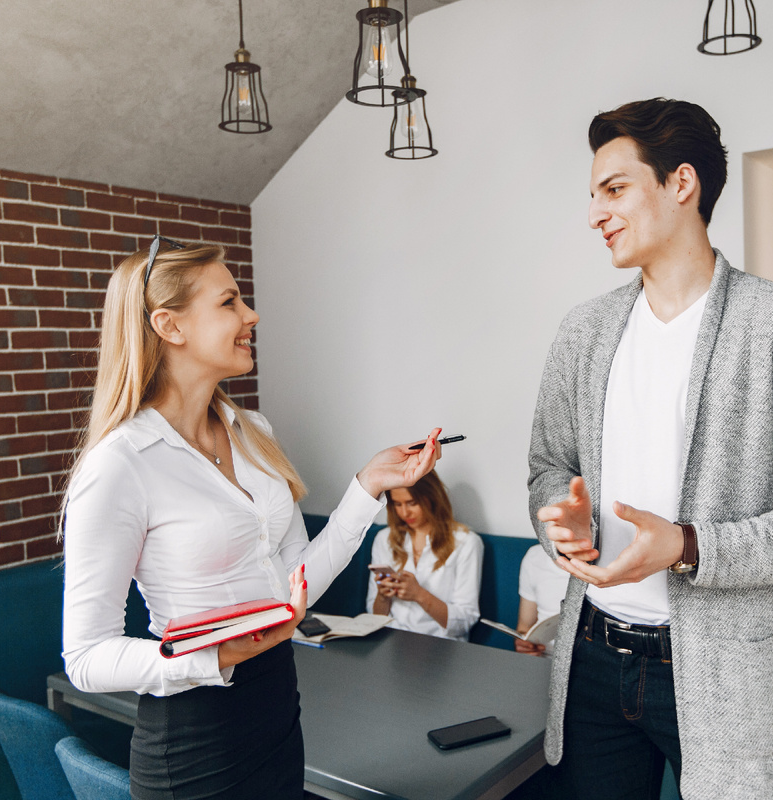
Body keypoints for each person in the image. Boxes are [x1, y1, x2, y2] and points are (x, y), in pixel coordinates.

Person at [527, 99, 773, 800]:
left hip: (728, 675)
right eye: (592, 195)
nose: (595, 213)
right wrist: (556, 517)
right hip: (591, 658)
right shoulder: (583, 333)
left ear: (681, 184)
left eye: (615, 189)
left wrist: (691, 546)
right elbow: (548, 467)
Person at [61, 236, 443, 800]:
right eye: (229, 302)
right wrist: (208, 657)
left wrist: (368, 488)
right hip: (193, 744)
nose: (252, 315)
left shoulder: (253, 433)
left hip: (277, 711)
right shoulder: (120, 465)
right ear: (170, 327)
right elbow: (87, 658)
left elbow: (297, 583)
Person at [366, 470, 483, 640]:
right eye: (397, 504)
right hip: (391, 641)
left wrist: (419, 594)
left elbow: (465, 620)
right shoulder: (384, 539)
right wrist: (383, 597)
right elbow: (374, 617)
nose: (404, 513)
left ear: (432, 497)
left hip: (440, 646)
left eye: (412, 503)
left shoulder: (466, 543)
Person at [513, 543, 570, 656]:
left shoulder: (607, 567)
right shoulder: (535, 556)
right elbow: (524, 627)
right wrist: (525, 647)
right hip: (543, 659)